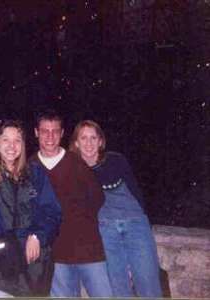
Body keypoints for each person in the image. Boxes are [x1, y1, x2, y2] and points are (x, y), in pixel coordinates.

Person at [69, 119, 162, 297]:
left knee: (148, 285)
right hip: (105, 231)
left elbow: (137, 193)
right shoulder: (74, 170)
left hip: (135, 224)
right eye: (84, 138)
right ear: (76, 143)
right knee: (118, 288)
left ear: (100, 141)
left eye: (93, 138)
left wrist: (144, 225)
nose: (89, 143)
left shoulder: (116, 160)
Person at [31, 110, 113, 297]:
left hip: (89, 251)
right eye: (45, 131)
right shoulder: (31, 166)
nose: (50, 136)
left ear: (62, 133)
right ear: (36, 133)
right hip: (56, 256)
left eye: (55, 131)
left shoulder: (76, 163)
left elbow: (97, 198)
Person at [0, 120, 61, 297]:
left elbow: (52, 212)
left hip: (34, 264)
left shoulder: (35, 173)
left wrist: (37, 236)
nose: (12, 146)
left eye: (17, 140)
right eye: (5, 140)